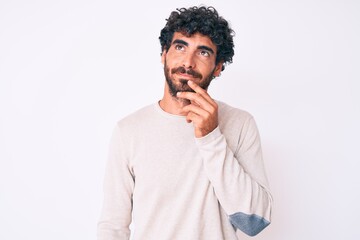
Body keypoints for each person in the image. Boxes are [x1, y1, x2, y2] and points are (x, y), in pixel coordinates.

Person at [97, 6, 272, 240]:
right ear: (164, 54)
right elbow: (113, 227)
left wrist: (211, 137)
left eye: (203, 52)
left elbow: (254, 222)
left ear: (218, 67)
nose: (188, 62)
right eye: (180, 47)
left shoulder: (240, 124)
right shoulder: (128, 130)